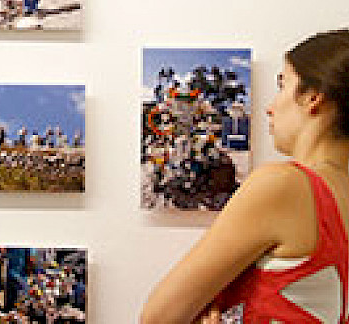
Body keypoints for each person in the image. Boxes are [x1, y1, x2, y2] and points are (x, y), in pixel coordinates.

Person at [140, 30, 349, 323]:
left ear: (313, 97)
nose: (270, 108)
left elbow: (158, 316)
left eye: (283, 85)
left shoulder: (283, 186)